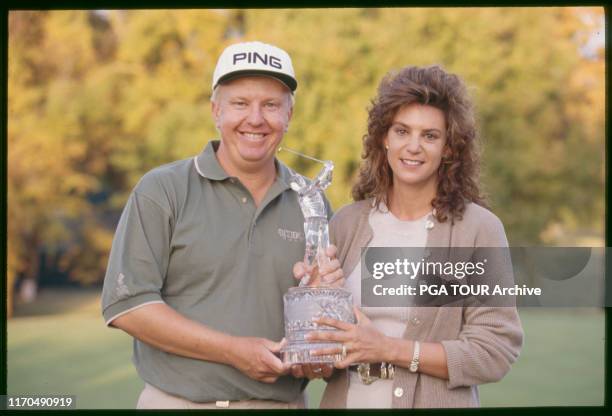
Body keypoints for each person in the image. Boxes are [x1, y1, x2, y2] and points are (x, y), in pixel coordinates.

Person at [101, 41, 342, 409]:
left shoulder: (312, 201)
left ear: (289, 116)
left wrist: (322, 310)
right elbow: (128, 306)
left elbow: (324, 333)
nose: (256, 119)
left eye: (271, 105)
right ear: (216, 110)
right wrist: (233, 351)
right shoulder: (163, 189)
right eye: (240, 103)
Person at [305, 65, 524, 408]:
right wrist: (311, 311)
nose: (413, 147)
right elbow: (321, 351)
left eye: (430, 135)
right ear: (384, 138)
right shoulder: (346, 224)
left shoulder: (480, 230)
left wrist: (389, 349)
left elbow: (495, 350)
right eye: (402, 131)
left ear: (449, 148)